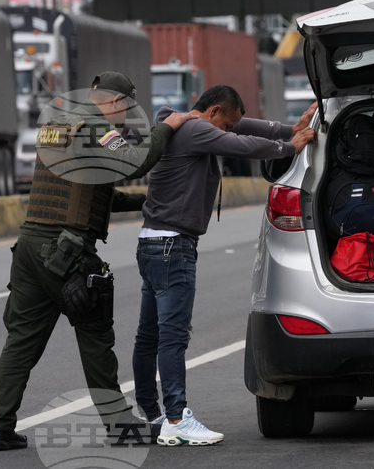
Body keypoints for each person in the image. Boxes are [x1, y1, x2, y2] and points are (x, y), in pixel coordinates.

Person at [0, 72, 195, 451]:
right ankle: (120, 427)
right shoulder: (96, 125)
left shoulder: (60, 123)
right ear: (115, 102)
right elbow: (134, 162)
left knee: (21, 340)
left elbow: (89, 194)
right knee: (96, 336)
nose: (124, 121)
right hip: (64, 251)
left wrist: (145, 204)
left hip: (31, 245)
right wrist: (166, 128)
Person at [132, 85, 316, 446]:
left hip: (152, 243)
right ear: (214, 111)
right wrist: (289, 147)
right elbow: (241, 145)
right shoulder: (198, 130)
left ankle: (151, 414)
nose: (228, 130)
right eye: (226, 123)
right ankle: (176, 418)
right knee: (172, 338)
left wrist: (289, 128)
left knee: (149, 335)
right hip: (173, 247)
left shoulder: (181, 123)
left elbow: (245, 126)